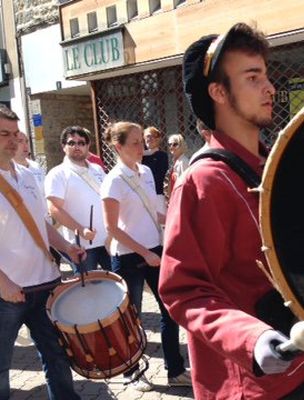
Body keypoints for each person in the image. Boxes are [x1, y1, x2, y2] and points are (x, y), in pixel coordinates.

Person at [159, 23, 304, 399]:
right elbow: (183, 290)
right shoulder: (204, 181)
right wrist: (251, 338)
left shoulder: (276, 165)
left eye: (265, 76)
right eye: (253, 78)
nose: (270, 88)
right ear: (219, 92)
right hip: (262, 383)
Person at [0, 105, 84, 400]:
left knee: (58, 356)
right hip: (8, 293)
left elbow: (41, 225)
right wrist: (4, 284)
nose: (12, 141)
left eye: (15, 134)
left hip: (46, 284)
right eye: (3, 134)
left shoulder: (28, 176)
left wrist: (66, 248)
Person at [100, 121, 191, 392]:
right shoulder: (113, 180)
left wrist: (176, 220)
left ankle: (174, 370)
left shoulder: (147, 172)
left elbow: (154, 212)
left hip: (154, 249)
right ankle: (133, 372)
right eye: (135, 143)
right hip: (128, 257)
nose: (142, 147)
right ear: (119, 147)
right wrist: (144, 253)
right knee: (132, 317)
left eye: (142, 141)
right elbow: (112, 228)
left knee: (169, 311)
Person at [45, 126, 111, 272]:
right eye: (71, 143)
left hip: (107, 240)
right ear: (64, 146)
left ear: (88, 146)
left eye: (81, 143)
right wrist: (81, 230)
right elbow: (54, 208)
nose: (77, 146)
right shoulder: (57, 173)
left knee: (118, 286)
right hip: (82, 245)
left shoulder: (98, 169)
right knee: (86, 289)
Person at [142, 126, 169, 214]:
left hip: (157, 195)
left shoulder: (162, 155)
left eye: (152, 136)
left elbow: (159, 176)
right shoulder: (140, 157)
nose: (149, 139)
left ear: (157, 139)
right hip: (142, 196)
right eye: (147, 137)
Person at [165, 134, 189, 199]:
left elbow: (186, 185)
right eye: (170, 144)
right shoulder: (175, 161)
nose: (171, 147)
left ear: (181, 145)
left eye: (175, 144)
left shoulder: (183, 162)